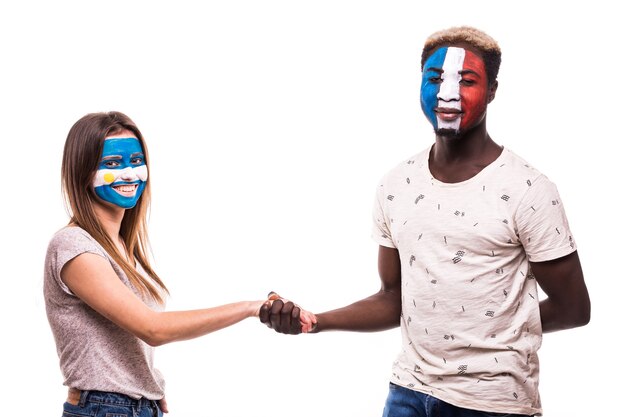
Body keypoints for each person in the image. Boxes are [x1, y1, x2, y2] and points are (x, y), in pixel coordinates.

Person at [260, 26, 591, 416]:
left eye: (467, 80)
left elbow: (574, 309)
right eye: (435, 79)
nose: (447, 92)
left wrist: (491, 334)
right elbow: (392, 298)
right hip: (407, 393)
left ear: (492, 91)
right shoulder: (396, 184)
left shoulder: (528, 189)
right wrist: (315, 321)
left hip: (492, 404)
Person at [44, 111, 271, 417]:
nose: (129, 173)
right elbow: (152, 329)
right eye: (112, 164)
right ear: (83, 171)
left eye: (136, 160)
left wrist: (146, 388)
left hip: (136, 408)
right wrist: (250, 307)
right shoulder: (74, 246)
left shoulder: (123, 248)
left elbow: (121, 344)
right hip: (103, 410)